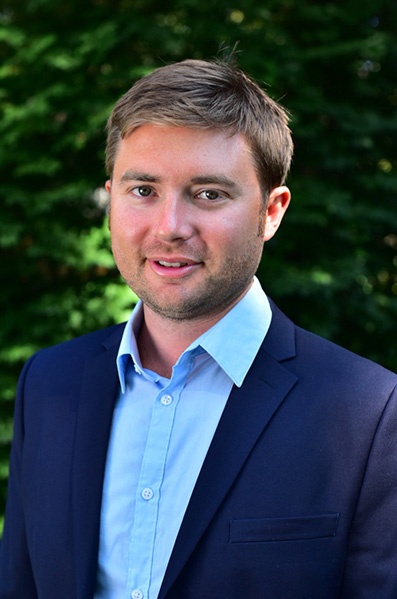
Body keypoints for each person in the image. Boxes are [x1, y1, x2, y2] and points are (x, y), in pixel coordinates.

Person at [1, 58, 397, 599]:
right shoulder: (49, 382)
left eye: (209, 193)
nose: (170, 228)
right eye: (143, 190)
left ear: (271, 211)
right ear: (111, 196)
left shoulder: (370, 414)